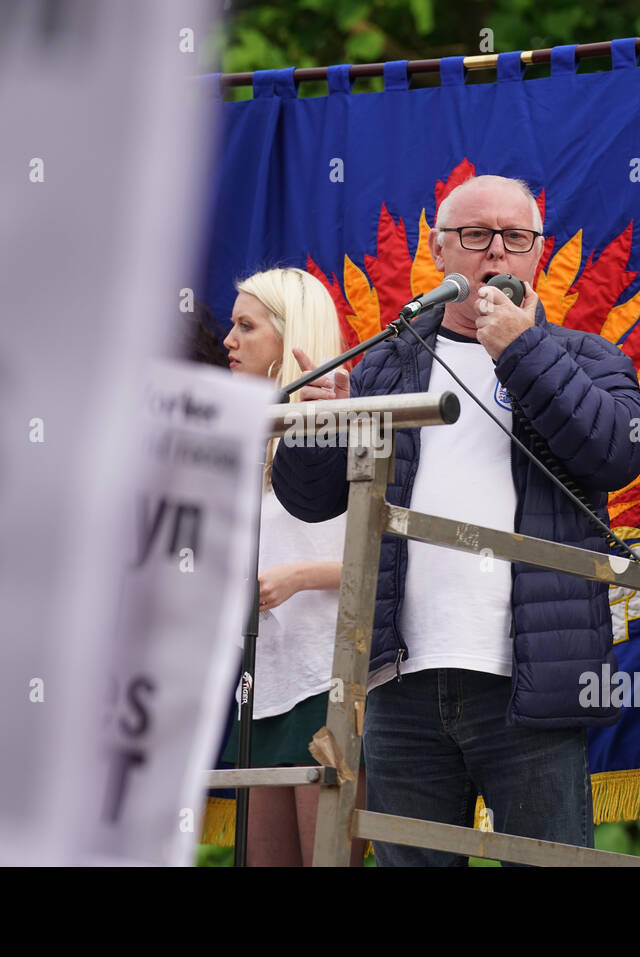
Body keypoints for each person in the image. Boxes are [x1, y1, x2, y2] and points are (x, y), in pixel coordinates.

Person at [272, 174, 640, 866]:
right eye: (476, 237)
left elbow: (614, 452)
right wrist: (317, 426)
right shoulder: (385, 365)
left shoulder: (585, 358)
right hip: (401, 680)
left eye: (515, 238)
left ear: (539, 252)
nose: (496, 254)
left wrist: (522, 350)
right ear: (440, 249)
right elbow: (313, 499)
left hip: (529, 686)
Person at [219, 266, 366, 867]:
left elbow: (387, 555)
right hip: (262, 684)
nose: (229, 341)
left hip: (325, 683)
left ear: (290, 337)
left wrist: (300, 576)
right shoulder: (239, 434)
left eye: (245, 326)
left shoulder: (342, 428)